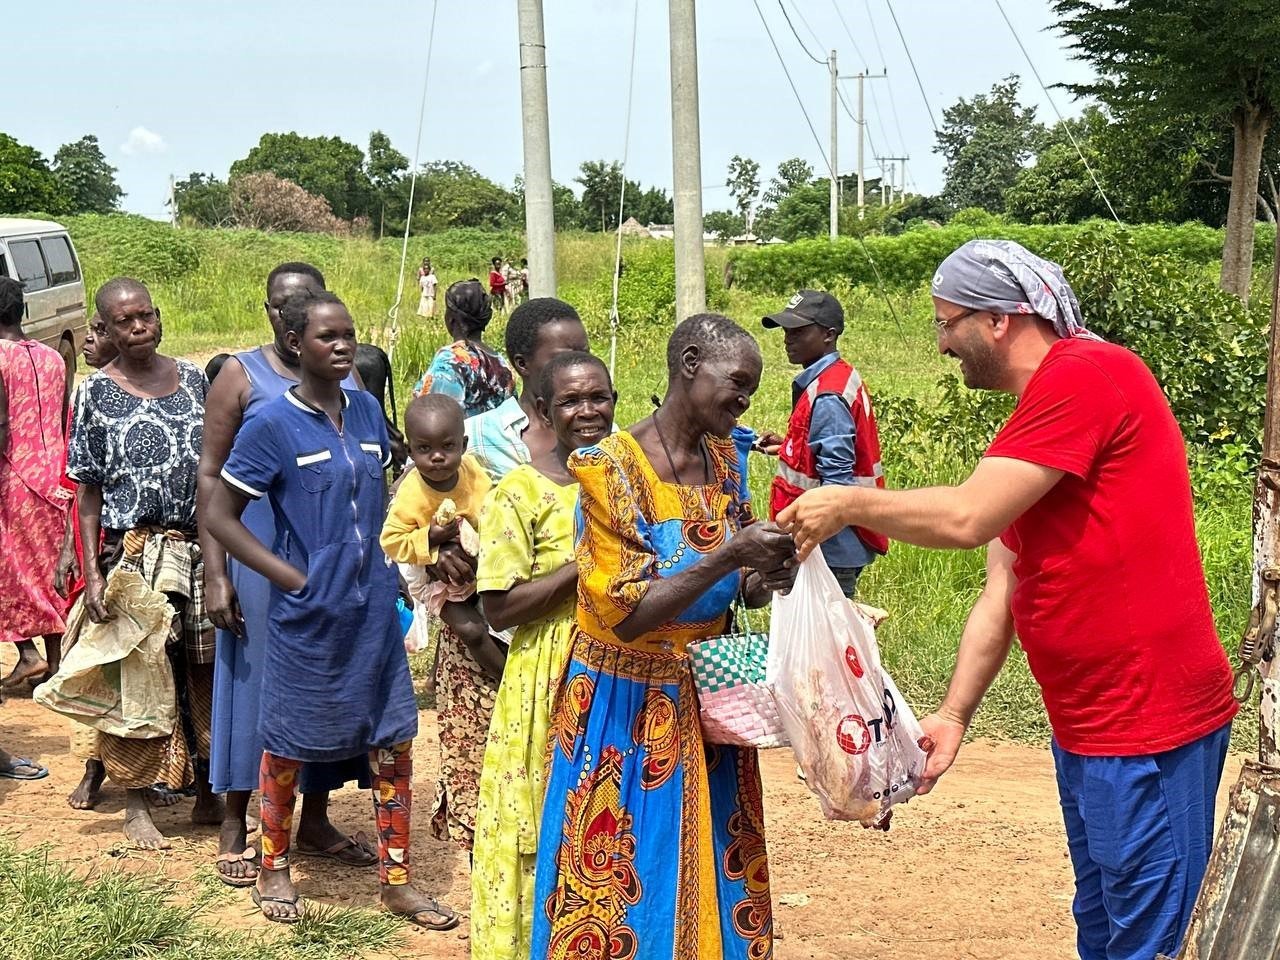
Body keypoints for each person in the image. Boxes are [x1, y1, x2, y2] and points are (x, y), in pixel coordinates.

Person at [780, 239, 1239, 960]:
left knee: (1153, 939)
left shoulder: (1088, 374)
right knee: (1107, 924)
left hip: (1147, 721)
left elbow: (968, 520)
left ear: (997, 320)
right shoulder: (1038, 419)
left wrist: (845, 504)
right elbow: (1005, 584)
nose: (940, 345)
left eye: (945, 323)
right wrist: (955, 714)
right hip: (1090, 722)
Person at [530, 313, 797, 959]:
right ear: (689, 364)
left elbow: (740, 589)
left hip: (707, 703)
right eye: (736, 383)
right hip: (620, 712)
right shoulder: (607, 470)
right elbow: (625, 610)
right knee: (621, 886)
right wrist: (731, 554)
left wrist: (771, 572)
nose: (743, 401)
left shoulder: (727, 460)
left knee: (710, 868)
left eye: (751, 391)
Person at [206, 290, 457, 930]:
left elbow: (386, 499)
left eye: (349, 334)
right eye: (327, 337)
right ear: (295, 345)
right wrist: (291, 576)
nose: (343, 346)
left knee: (392, 742)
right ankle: (274, 868)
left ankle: (396, 881)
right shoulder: (270, 424)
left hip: (371, 610)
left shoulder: (370, 411)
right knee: (288, 746)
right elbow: (220, 514)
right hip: (307, 617)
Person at [198, 262, 379, 886]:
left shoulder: (346, 379)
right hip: (259, 554)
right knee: (259, 686)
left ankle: (317, 818)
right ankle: (235, 818)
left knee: (329, 683)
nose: (291, 313)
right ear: (272, 313)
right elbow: (212, 480)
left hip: (333, 556)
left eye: (304, 301)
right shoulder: (239, 375)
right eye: (281, 305)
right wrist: (215, 573)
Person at [65, 276, 222, 849]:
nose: (138, 329)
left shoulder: (195, 381)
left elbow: (217, 468)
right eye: (124, 322)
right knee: (138, 678)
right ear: (104, 329)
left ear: (158, 317)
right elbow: (86, 491)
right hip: (133, 551)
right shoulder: (94, 394)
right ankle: (136, 800)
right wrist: (91, 570)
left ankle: (208, 790)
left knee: (203, 669)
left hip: (197, 546)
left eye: (145, 317)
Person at [471, 350, 615, 960]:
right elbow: (499, 608)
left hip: (615, 670)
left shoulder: (623, 478)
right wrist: (586, 565)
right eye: (571, 401)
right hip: (548, 674)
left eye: (598, 398)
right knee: (538, 816)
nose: (587, 411)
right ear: (543, 412)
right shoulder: (522, 490)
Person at [760, 290, 887, 597]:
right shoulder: (836, 377)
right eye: (786, 331)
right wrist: (791, 443)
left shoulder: (828, 394)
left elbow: (836, 487)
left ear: (829, 335)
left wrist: (806, 549)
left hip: (829, 549)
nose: (787, 339)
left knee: (826, 640)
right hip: (832, 544)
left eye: (799, 331)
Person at [0, 275, 71, 779]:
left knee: (12, 571)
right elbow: (63, 416)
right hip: (56, 471)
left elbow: (1, 424)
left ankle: (26, 654)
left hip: (15, 473)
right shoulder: (53, 358)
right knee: (50, 568)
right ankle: (56, 662)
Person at [380, 394, 498, 671]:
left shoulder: (471, 470)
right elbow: (391, 541)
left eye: (447, 447)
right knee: (472, 631)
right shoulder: (412, 492)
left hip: (478, 558)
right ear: (410, 452)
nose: (437, 457)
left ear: (464, 445)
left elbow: (490, 501)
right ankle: (504, 680)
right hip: (433, 576)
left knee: (499, 618)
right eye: (424, 448)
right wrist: (431, 538)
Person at [464, 297, 590, 481]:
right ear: (522, 364)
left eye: (584, 356)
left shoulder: (601, 430)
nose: (577, 368)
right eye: (562, 359)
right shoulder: (477, 436)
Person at [412, 278, 516, 416]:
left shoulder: (450, 362)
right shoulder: (501, 363)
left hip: (462, 437)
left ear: (451, 319)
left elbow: (432, 417)